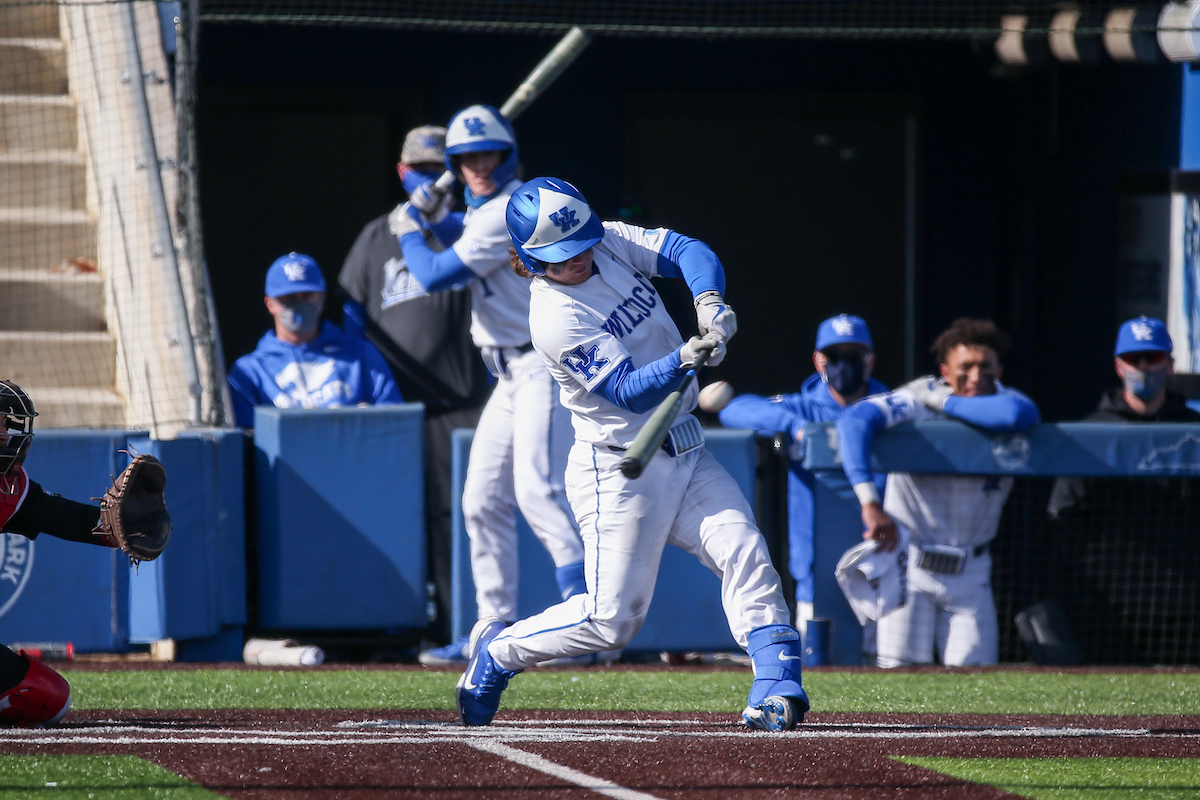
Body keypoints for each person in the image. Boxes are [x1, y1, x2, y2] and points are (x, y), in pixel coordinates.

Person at [452, 176, 809, 732]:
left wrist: (709, 302)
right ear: (527, 258)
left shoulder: (605, 241)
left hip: (685, 445)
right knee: (611, 621)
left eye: (580, 247)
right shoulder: (552, 317)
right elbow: (626, 389)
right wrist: (684, 359)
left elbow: (688, 250)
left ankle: (775, 684)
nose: (577, 260)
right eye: (559, 256)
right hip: (618, 467)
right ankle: (499, 650)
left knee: (744, 548)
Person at [397, 107, 587, 666]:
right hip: (508, 373)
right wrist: (435, 219)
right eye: (468, 158)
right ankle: (491, 628)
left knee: (539, 490)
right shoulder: (490, 209)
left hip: (543, 365)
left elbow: (433, 275)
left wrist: (410, 226)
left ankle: (585, 615)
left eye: (490, 155)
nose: (480, 165)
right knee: (480, 498)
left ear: (510, 156)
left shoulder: (509, 206)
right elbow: (465, 233)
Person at [338, 125, 490, 648]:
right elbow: (352, 317)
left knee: (468, 515)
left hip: (465, 402)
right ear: (403, 173)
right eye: (421, 170)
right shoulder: (378, 234)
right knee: (394, 514)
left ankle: (467, 627)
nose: (431, 179)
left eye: (438, 169)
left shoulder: (471, 228)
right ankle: (392, 629)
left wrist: (442, 220)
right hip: (395, 409)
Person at [836, 318, 1040, 667]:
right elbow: (854, 421)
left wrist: (943, 400)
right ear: (945, 370)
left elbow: (1015, 415)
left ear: (999, 369)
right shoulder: (917, 400)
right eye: (966, 367)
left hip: (972, 570)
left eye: (985, 366)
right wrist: (869, 501)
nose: (976, 375)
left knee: (975, 685)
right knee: (897, 678)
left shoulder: (1001, 400)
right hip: (911, 566)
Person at [0, 381, 168, 726]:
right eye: (0, 424)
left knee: (45, 696)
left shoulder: (7, 488)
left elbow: (64, 518)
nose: (8, 434)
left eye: (7, 423)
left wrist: (116, 524)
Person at [714, 314, 888, 630]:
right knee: (819, 667)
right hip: (816, 572)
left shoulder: (888, 407)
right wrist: (793, 427)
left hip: (882, 565)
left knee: (895, 670)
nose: (844, 363)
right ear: (818, 360)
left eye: (853, 355)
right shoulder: (803, 408)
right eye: (834, 355)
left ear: (870, 360)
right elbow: (734, 410)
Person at [1047, 317, 1200, 663]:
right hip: (1109, 606)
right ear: (1119, 366)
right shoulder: (1092, 432)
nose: (1144, 367)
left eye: (1153, 358)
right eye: (1134, 359)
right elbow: (1064, 516)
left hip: (1185, 605)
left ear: (1170, 364)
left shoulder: (1193, 430)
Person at [227, 252, 401, 428]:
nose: (299, 303)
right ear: (270, 303)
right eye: (289, 297)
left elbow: (395, 420)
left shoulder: (359, 354)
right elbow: (245, 441)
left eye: (307, 295)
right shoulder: (249, 371)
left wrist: (371, 419)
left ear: (322, 299)